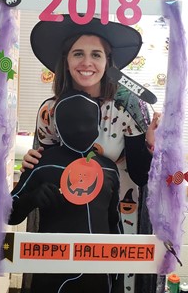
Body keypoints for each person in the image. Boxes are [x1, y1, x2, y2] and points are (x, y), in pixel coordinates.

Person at [21, 14, 160, 293]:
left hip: (117, 218)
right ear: (66, 60)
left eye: (96, 54)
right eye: (78, 54)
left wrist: (150, 146)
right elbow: (46, 171)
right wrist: (31, 163)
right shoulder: (50, 110)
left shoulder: (128, 108)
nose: (87, 63)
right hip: (63, 222)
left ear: (108, 61)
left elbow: (140, 175)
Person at [9, 89, 124, 293]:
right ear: (58, 125)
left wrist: (118, 278)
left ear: (97, 125)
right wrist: (32, 199)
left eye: (87, 120)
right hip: (51, 271)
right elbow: (8, 214)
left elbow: (114, 224)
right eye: (71, 120)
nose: (80, 127)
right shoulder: (41, 162)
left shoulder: (108, 168)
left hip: (99, 274)